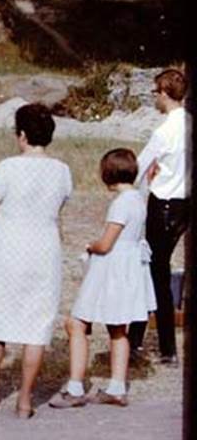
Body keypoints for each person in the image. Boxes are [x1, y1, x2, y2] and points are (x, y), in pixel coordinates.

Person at [0, 103, 72, 419]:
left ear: (22, 135)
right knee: (37, 325)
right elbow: (57, 213)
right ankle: (25, 400)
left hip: (7, 247)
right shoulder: (62, 171)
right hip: (45, 249)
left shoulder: (8, 167)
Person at [49, 149, 156, 409]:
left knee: (76, 323)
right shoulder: (138, 199)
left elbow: (106, 244)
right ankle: (116, 387)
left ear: (107, 174)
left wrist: (90, 245)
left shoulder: (120, 203)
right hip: (127, 269)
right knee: (118, 329)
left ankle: (75, 387)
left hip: (109, 269)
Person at [128, 68, 189, 366]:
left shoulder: (163, 132)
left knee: (154, 273)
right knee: (158, 271)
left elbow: (137, 168)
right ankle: (148, 341)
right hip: (184, 205)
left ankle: (155, 345)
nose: (155, 97)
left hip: (163, 204)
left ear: (164, 93)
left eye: (156, 92)